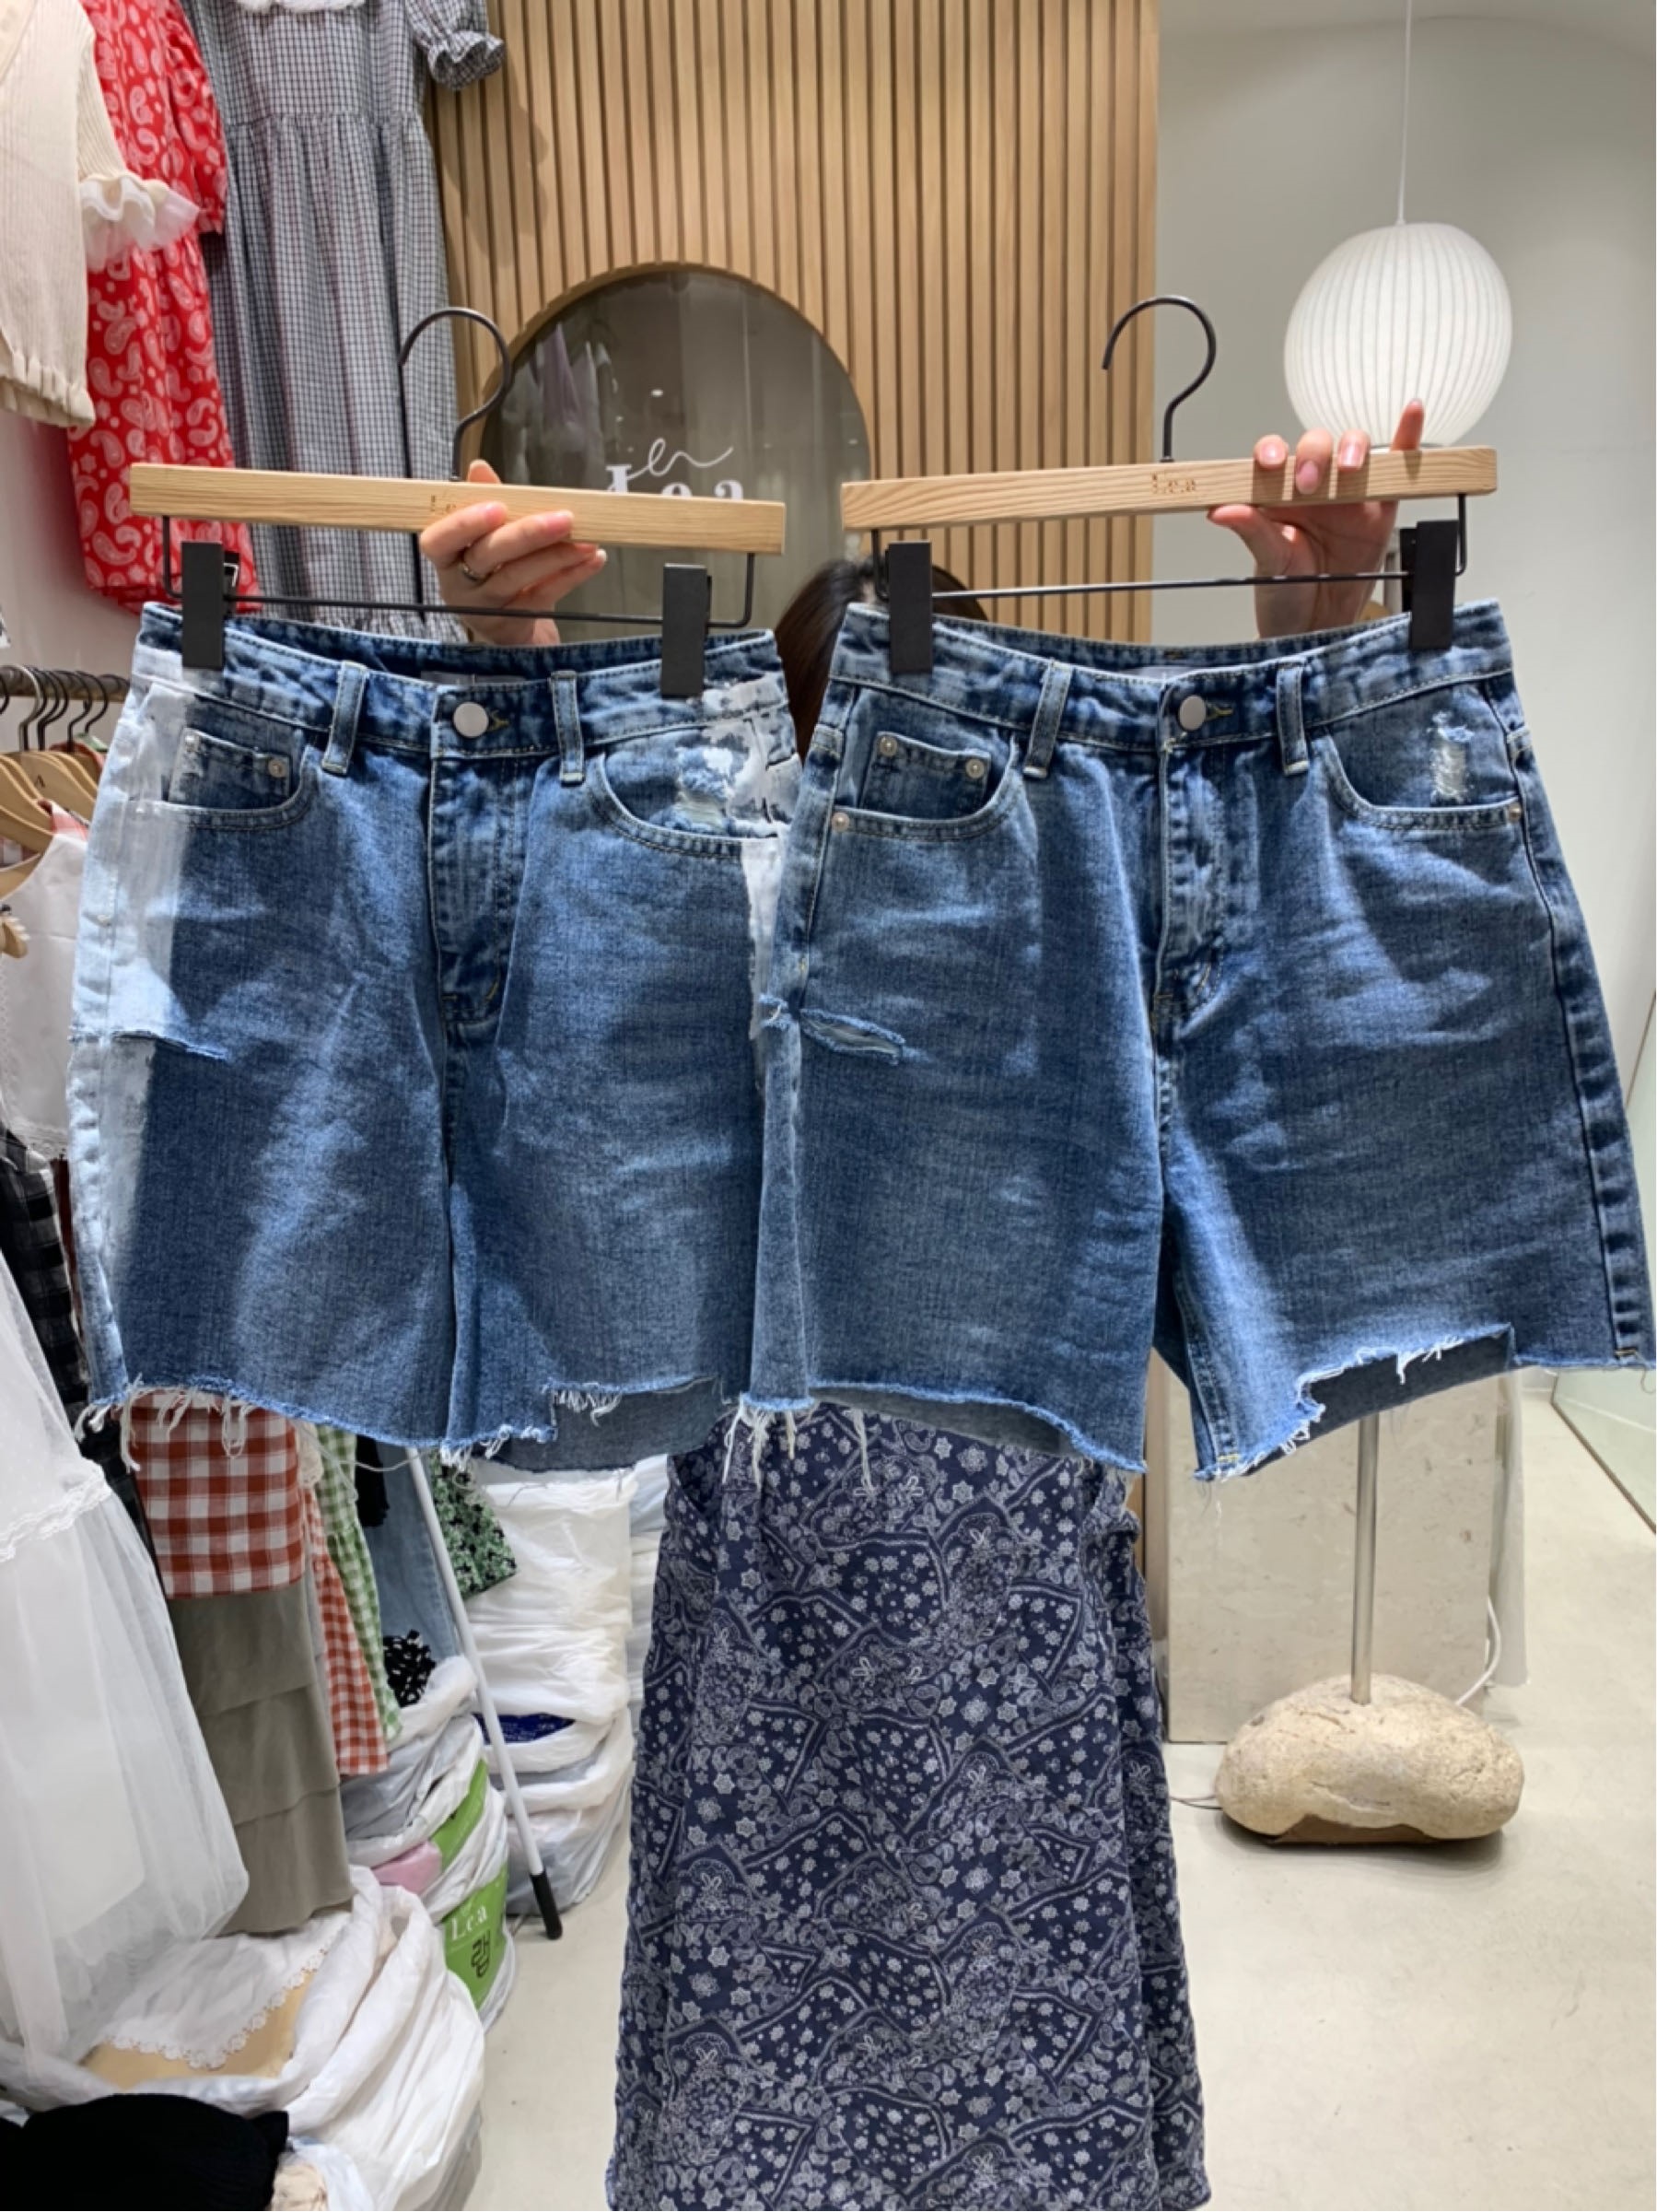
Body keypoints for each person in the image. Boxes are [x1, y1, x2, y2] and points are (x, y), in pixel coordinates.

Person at [416, 401, 1428, 651]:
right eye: (828, 740)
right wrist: (514, 655)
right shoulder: (718, 854)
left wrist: (1318, 650)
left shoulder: (1066, 876)